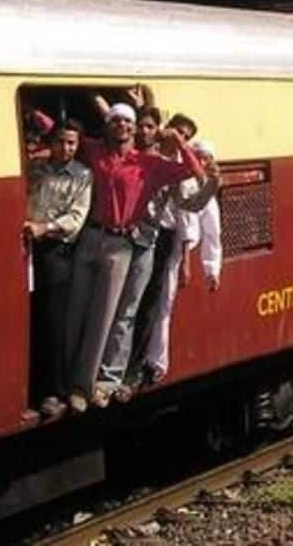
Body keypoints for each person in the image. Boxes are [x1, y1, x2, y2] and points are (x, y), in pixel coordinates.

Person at [64, 103, 205, 414]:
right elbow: (60, 137)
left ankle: (91, 385)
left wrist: (180, 142)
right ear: (108, 124)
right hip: (89, 236)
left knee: (108, 316)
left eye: (129, 122)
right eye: (117, 121)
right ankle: (71, 379)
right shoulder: (95, 150)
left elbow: (195, 172)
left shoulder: (149, 164)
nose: (124, 127)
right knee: (76, 309)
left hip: (121, 243)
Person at [24, 120, 92, 420]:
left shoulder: (82, 176)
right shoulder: (35, 169)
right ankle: (34, 386)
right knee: (32, 318)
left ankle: (55, 390)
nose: (66, 148)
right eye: (62, 141)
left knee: (55, 322)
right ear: (51, 142)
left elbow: (76, 219)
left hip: (56, 249)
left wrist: (45, 227)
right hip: (28, 246)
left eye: (72, 143)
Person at [140, 140, 224, 386]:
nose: (201, 161)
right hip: (158, 242)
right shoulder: (177, 179)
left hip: (174, 251)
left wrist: (211, 268)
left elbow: (211, 232)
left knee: (163, 305)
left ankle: (157, 362)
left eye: (205, 158)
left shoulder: (205, 193)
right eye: (197, 156)